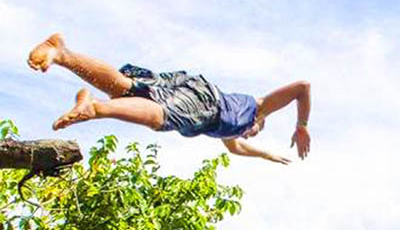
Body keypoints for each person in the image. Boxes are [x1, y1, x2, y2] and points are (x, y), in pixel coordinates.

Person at [27, 34, 311, 164]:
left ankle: (61, 53)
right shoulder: (255, 110)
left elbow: (238, 150)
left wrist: (269, 155)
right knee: (163, 117)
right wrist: (301, 126)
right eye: (254, 131)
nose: (249, 134)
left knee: (125, 89)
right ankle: (95, 108)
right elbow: (302, 86)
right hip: (203, 100)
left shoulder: (228, 133)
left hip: (186, 90)